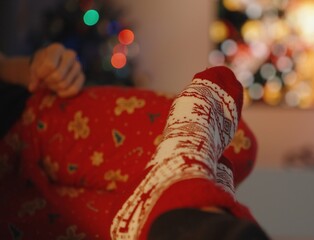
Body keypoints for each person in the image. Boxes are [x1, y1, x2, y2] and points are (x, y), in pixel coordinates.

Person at [0, 43, 268, 239]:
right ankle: (176, 179)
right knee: (217, 158)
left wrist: (36, 66)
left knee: (237, 145)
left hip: (25, 119)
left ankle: (174, 183)